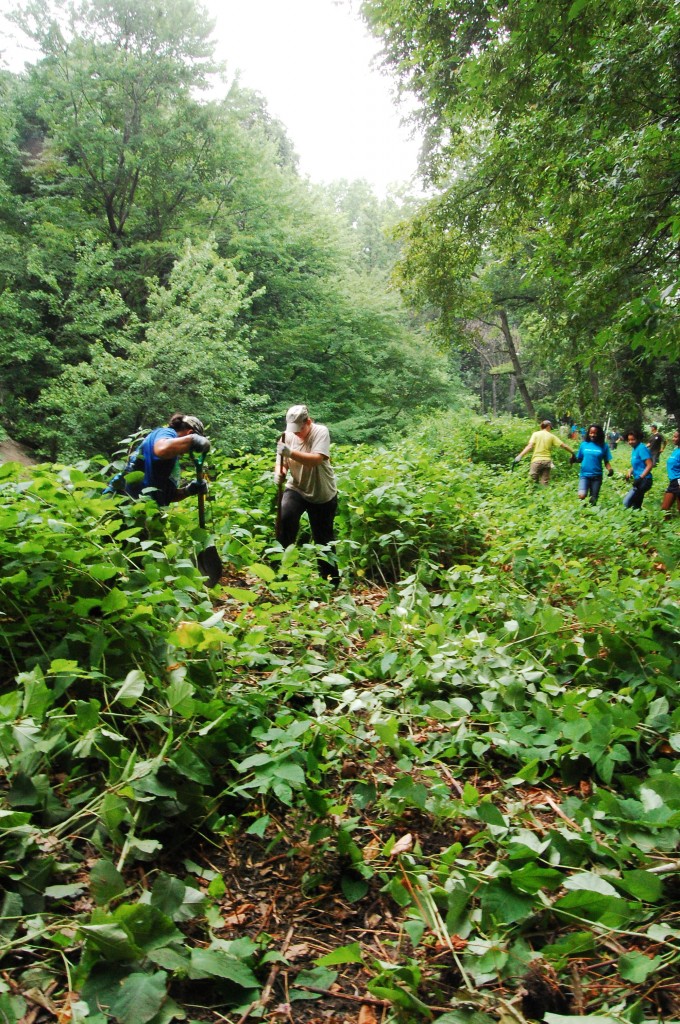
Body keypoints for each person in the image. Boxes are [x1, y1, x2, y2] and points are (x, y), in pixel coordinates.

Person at [275, 404, 340, 587]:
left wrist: (290, 452)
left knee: (323, 537)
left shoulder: (321, 432)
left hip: (322, 493)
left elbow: (316, 459)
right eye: (293, 430)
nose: (296, 434)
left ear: (308, 422)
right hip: (296, 488)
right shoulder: (286, 436)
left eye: (299, 430)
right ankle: (279, 573)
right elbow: (282, 462)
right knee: (285, 519)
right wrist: (279, 471)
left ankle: (330, 581)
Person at [104, 413, 210, 505]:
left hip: (145, 511)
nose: (188, 451)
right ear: (189, 433)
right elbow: (161, 449)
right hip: (123, 502)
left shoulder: (172, 459)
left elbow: (165, 495)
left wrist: (188, 491)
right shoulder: (167, 433)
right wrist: (193, 440)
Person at [514, 420, 574, 485]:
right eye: (550, 428)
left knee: (532, 482)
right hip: (547, 462)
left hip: (536, 461)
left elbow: (530, 446)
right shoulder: (551, 436)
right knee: (544, 483)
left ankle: (533, 493)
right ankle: (544, 493)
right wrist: (573, 452)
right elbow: (564, 446)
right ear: (548, 426)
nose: (550, 429)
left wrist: (520, 456)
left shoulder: (535, 434)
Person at [572, 424, 614, 505]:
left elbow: (606, 461)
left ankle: (590, 514)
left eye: (595, 433)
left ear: (599, 434)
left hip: (597, 476)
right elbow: (580, 459)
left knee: (593, 499)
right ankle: (581, 511)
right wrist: (574, 460)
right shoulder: (584, 445)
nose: (592, 435)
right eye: (591, 433)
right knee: (581, 495)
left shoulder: (604, 446)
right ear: (588, 433)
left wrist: (610, 470)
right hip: (584, 475)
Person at [622, 429, 653, 509]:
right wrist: (630, 472)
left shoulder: (642, 448)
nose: (630, 442)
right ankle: (638, 517)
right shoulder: (635, 449)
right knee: (636, 503)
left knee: (626, 502)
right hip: (638, 480)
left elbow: (649, 465)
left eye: (633, 439)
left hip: (645, 480)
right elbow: (638, 464)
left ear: (638, 439)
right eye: (629, 440)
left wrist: (641, 477)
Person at [661, 429, 680, 517]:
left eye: (676, 437)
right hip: (673, 482)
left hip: (678, 482)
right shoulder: (676, 450)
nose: (673, 439)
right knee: (665, 509)